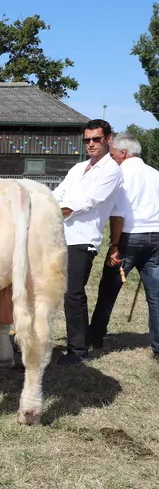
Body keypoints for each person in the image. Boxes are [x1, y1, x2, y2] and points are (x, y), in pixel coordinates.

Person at [52, 119, 124, 366]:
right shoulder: (78, 168)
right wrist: (46, 205)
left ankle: (78, 350)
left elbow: (87, 201)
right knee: (61, 292)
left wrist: (55, 210)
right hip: (60, 235)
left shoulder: (112, 171)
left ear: (108, 139)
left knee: (73, 293)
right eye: (87, 140)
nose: (91, 144)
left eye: (96, 139)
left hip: (83, 239)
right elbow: (59, 193)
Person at [89, 133, 159, 358]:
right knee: (156, 297)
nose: (113, 159)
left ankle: (96, 338)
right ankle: (158, 348)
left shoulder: (120, 175)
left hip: (129, 237)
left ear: (123, 153)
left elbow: (117, 215)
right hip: (155, 237)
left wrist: (115, 244)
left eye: (113, 155)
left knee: (108, 290)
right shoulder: (156, 174)